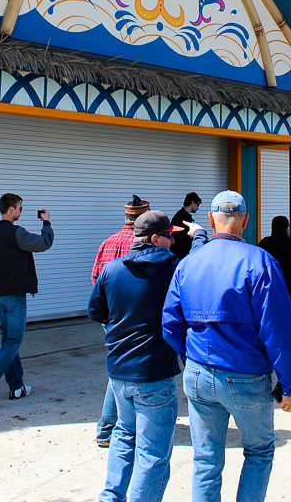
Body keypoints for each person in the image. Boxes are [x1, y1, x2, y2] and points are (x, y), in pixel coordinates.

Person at [163, 190, 291, 502]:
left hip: (198, 375)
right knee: (259, 451)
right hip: (247, 377)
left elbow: (170, 325)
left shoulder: (188, 263)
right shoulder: (261, 262)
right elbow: (278, 330)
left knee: (205, 460)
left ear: (212, 220)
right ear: (245, 221)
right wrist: (289, 383)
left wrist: (193, 358)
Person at [88, 210, 206, 502]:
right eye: (169, 236)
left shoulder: (112, 270)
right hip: (155, 373)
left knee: (124, 435)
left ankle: (110, 497)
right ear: (155, 239)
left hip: (118, 372)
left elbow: (96, 312)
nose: (173, 242)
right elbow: (200, 266)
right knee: (153, 452)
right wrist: (200, 236)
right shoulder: (173, 268)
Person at [0, 194, 53, 412]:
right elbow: (44, 243)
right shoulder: (17, 233)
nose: (21, 212)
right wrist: (46, 222)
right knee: (13, 342)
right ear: (12, 209)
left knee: (8, 342)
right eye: (20, 208)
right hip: (14, 296)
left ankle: (17, 387)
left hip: (0, 296)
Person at [91, 194, 150, 447]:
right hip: (135, 316)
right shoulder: (143, 246)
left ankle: (115, 426)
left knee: (120, 367)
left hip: (111, 316)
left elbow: (95, 279)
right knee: (125, 372)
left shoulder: (108, 242)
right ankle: (107, 428)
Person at [259, 215, 291, 317]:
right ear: (286, 228)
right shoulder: (290, 246)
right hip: (287, 289)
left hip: (265, 287)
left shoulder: (264, 243)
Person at [171, 191, 202, 260]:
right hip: (181, 255)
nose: (198, 208)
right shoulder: (181, 218)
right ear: (192, 203)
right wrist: (185, 253)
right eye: (197, 205)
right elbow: (180, 238)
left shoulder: (182, 216)